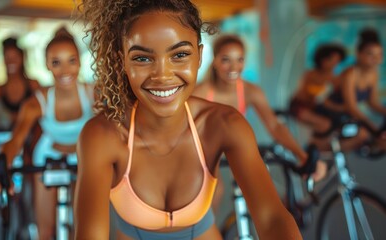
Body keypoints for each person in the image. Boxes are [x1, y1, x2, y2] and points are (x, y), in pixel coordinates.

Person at [75, 1, 302, 239]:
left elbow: (272, 218)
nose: (162, 75)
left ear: (200, 55)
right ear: (122, 61)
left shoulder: (224, 124)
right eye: (142, 58)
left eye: (180, 55)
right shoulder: (102, 136)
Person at [0, 27, 94, 240]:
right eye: (56, 62)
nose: (65, 70)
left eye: (71, 60)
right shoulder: (37, 101)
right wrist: (2, 167)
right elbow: (16, 140)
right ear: (47, 65)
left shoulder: (93, 94)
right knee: (46, 232)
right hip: (47, 157)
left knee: (83, 231)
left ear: (80, 62)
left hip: (83, 157)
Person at [193, 34, 326, 214]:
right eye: (226, 60)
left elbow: (274, 126)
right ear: (215, 61)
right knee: (216, 192)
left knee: (265, 187)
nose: (234, 67)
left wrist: (301, 155)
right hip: (204, 146)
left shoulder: (250, 91)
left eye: (239, 59)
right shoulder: (200, 92)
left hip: (232, 144)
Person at [326, 28, 386, 146]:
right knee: (367, 135)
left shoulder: (373, 74)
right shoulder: (350, 74)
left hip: (348, 115)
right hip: (333, 113)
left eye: (379, 54)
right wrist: (373, 128)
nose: (376, 59)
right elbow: (351, 107)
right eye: (370, 54)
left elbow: (372, 102)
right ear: (358, 54)